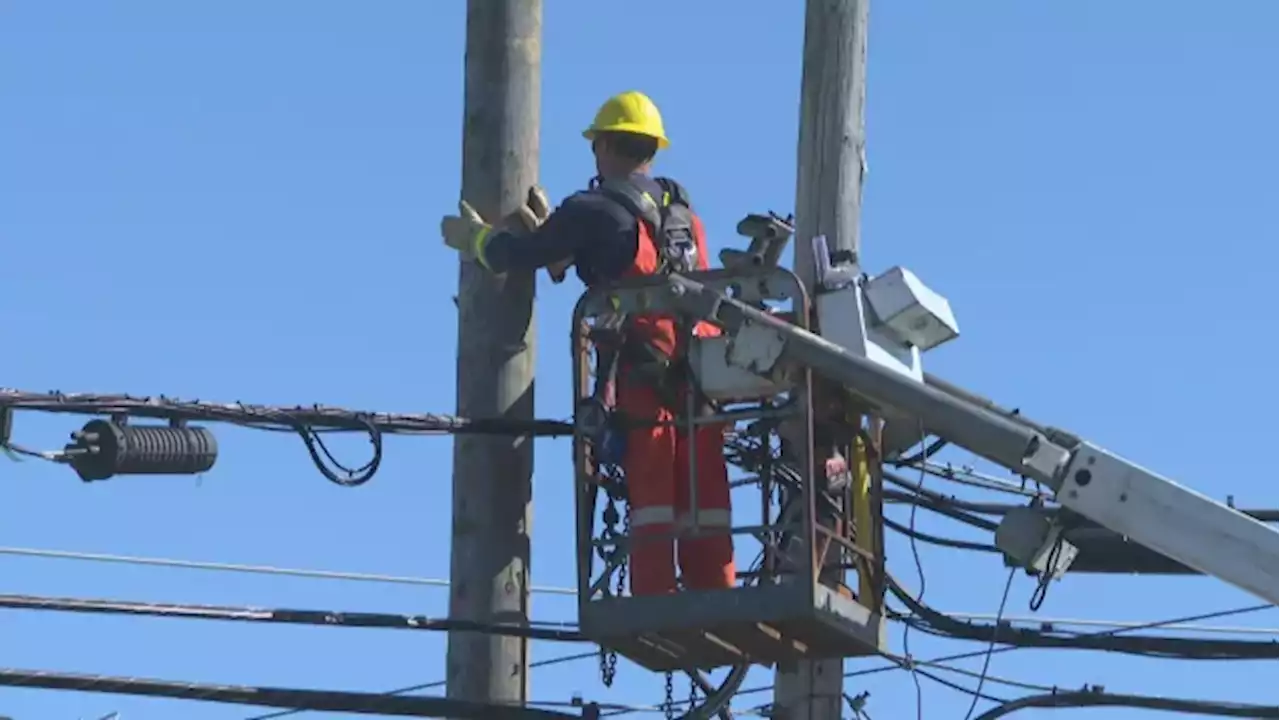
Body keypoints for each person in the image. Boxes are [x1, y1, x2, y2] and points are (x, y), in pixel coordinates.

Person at [440, 91, 736, 597]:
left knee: (654, 502)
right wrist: (563, 241)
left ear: (603, 147)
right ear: (651, 150)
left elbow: (519, 254)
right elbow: (615, 263)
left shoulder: (593, 209)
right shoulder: (682, 213)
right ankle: (716, 594)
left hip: (646, 382)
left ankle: (655, 601)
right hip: (704, 386)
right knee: (703, 502)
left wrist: (478, 242)